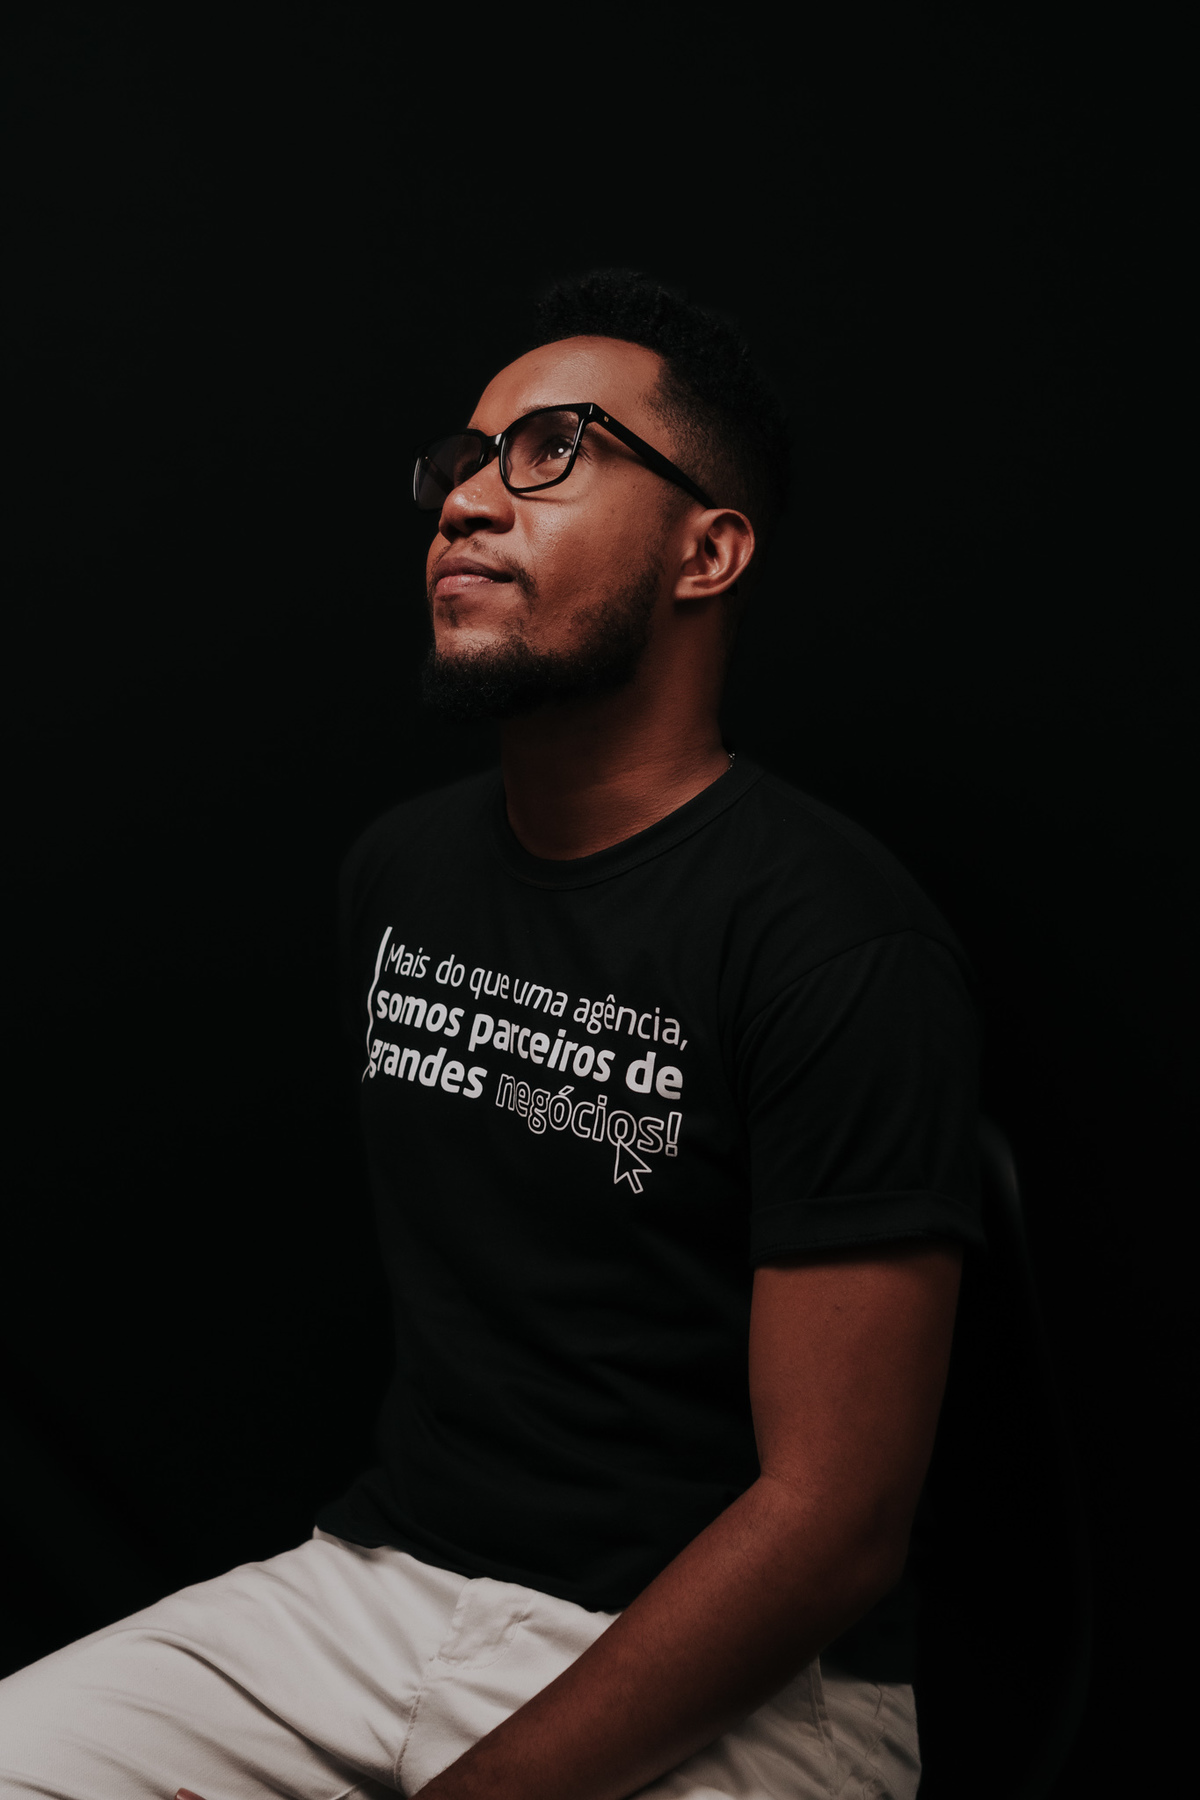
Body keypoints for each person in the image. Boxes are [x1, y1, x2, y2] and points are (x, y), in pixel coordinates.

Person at [0, 270, 983, 1799]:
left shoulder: (837, 940)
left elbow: (835, 1526)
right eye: (463, 459)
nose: (463, 501)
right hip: (378, 1592)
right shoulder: (400, 874)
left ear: (708, 551)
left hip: (747, 1675)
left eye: (551, 452)